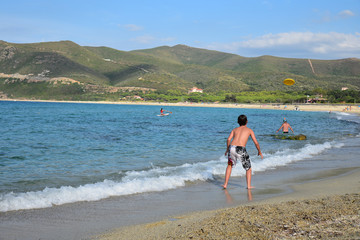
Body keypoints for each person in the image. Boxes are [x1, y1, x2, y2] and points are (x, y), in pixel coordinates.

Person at [223, 114, 263, 189]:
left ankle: (225, 184)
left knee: (229, 165)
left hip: (231, 147)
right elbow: (256, 142)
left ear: (238, 122)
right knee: (248, 168)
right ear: (247, 122)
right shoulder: (249, 130)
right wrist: (259, 151)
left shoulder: (234, 129)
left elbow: (228, 139)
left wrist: (227, 149)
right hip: (240, 149)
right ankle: (248, 186)